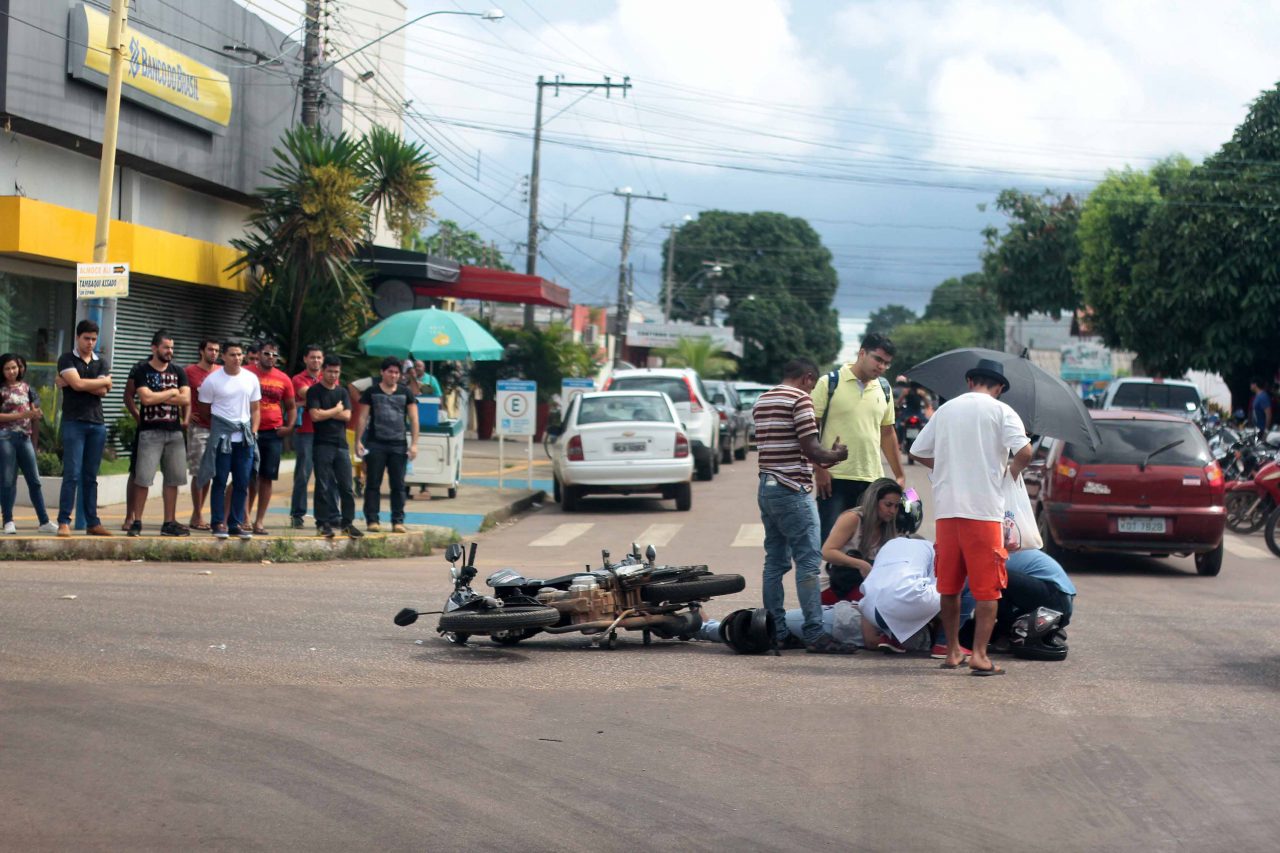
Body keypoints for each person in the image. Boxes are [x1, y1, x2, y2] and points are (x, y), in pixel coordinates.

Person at [909, 357, 1032, 676]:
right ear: (1000, 388)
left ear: (970, 382)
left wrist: (946, 471)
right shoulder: (1003, 411)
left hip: (948, 513)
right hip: (984, 514)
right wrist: (1009, 473)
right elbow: (1025, 452)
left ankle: (951, 652)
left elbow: (918, 452)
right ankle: (978, 655)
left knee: (948, 586)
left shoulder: (946, 410)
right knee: (988, 588)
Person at [754, 357, 850, 653]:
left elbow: (790, 445)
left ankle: (777, 631)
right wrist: (836, 455)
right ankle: (814, 634)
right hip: (791, 489)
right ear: (808, 378)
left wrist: (821, 456)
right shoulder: (800, 400)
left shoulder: (763, 399)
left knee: (775, 563)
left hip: (767, 486)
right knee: (808, 563)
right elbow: (810, 448)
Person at [810, 332, 906, 545]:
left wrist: (899, 474)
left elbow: (887, 433)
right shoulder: (829, 383)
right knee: (833, 545)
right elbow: (810, 429)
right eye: (878, 359)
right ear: (862, 353)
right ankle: (833, 579)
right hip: (835, 479)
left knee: (868, 543)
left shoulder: (884, 388)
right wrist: (820, 469)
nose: (881, 366)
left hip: (872, 480)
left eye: (887, 363)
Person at [127, 330, 191, 537]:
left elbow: (185, 400)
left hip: (174, 432)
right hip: (150, 432)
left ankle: (169, 522)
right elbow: (145, 399)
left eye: (171, 347)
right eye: (166, 347)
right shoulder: (142, 370)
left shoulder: (179, 371)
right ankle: (137, 521)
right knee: (143, 478)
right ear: (154, 348)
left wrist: (160, 396)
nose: (169, 351)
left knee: (173, 479)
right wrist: (172, 392)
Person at [195, 340, 260, 540]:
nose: (237, 358)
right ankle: (218, 522)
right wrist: (222, 426)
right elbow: (205, 410)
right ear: (224, 356)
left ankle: (235, 523)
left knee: (242, 482)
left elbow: (255, 409)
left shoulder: (250, 378)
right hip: (222, 438)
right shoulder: (213, 380)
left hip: (244, 439)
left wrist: (254, 431)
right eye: (232, 354)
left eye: (240, 354)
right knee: (220, 480)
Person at [55, 319, 113, 536]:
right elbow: (80, 384)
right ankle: (63, 521)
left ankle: (93, 522)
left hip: (97, 423)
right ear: (78, 338)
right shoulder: (67, 358)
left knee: (90, 476)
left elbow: (103, 392)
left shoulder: (101, 362)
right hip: (74, 422)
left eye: (94, 339)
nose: (90, 343)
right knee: (72, 473)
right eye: (86, 338)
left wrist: (77, 382)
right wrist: (103, 381)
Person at [959, 548, 1075, 652]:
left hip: (1056, 600)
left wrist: (948, 637)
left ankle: (1003, 636)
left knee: (995, 576)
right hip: (1059, 604)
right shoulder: (1006, 548)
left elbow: (968, 594)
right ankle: (1006, 633)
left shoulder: (995, 555)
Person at [354, 357, 420, 533]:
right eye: (390, 371)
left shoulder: (406, 393)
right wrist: (358, 441)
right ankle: (372, 520)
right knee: (373, 483)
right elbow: (362, 417)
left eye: (397, 372)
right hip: (375, 444)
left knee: (398, 485)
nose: (393, 375)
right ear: (382, 372)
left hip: (398, 445)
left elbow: (414, 419)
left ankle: (397, 521)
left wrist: (414, 444)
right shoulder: (371, 392)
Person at [0, 353, 58, 534]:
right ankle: (8, 520)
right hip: (6, 438)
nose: (11, 371)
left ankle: (44, 521)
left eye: (14, 367)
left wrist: (36, 415)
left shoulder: (27, 388)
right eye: (7, 368)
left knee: (34, 480)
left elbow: (35, 413)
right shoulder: (1, 389)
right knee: (8, 480)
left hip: (25, 438)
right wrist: (22, 416)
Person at [307, 355, 363, 540]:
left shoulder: (342, 392)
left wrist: (328, 412)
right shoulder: (314, 391)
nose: (333, 375)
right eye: (330, 371)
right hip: (322, 444)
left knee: (346, 487)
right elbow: (314, 415)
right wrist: (335, 410)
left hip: (341, 445)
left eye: (336, 372)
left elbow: (347, 415)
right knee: (322, 485)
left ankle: (347, 523)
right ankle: (322, 523)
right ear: (324, 371)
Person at [244, 340, 295, 535]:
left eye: (274, 355)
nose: (270, 358)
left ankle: (259, 521)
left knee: (266, 477)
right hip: (249, 431)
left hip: (273, 433)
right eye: (266, 354)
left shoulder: (283, 379)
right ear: (259, 354)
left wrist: (289, 427)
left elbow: (290, 406)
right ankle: (244, 517)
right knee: (247, 475)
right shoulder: (246, 373)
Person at [821, 477, 904, 581]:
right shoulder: (852, 518)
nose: (892, 511)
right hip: (834, 581)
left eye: (896, 506)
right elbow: (826, 552)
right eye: (888, 505)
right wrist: (860, 564)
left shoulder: (889, 527)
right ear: (874, 501)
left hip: (864, 583)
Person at [184, 339, 220, 530]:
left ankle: (198, 513)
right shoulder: (189, 371)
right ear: (201, 351)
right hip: (199, 427)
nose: (213, 353)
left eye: (216, 350)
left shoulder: (221, 372)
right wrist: (187, 416)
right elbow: (181, 394)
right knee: (198, 472)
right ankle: (197, 514)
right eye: (210, 349)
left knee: (210, 473)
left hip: (218, 427)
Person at [289, 344, 324, 529]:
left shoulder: (329, 377)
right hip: (305, 433)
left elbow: (334, 397)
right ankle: (297, 514)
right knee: (303, 474)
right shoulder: (298, 379)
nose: (316, 361)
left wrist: (307, 402)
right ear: (305, 359)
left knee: (326, 475)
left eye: (319, 357)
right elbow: (311, 394)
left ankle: (325, 515)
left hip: (325, 433)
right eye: (312, 357)